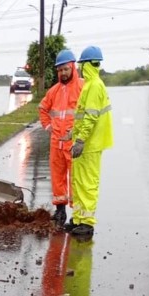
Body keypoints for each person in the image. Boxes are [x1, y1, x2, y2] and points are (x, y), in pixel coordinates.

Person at [65, 45, 114, 236]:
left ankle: (87, 223)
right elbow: (81, 116)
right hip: (85, 142)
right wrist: (72, 134)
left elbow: (91, 117)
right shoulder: (90, 85)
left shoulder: (94, 86)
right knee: (78, 181)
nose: (78, 69)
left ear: (87, 65)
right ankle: (78, 218)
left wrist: (80, 140)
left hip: (90, 144)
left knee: (87, 183)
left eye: (81, 65)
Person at [39, 49, 84, 226]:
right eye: (60, 70)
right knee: (57, 177)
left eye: (65, 69)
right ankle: (60, 210)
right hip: (56, 143)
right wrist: (48, 126)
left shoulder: (83, 87)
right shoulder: (54, 91)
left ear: (72, 67)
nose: (63, 73)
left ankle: (77, 215)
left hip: (74, 143)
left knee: (76, 179)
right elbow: (42, 109)